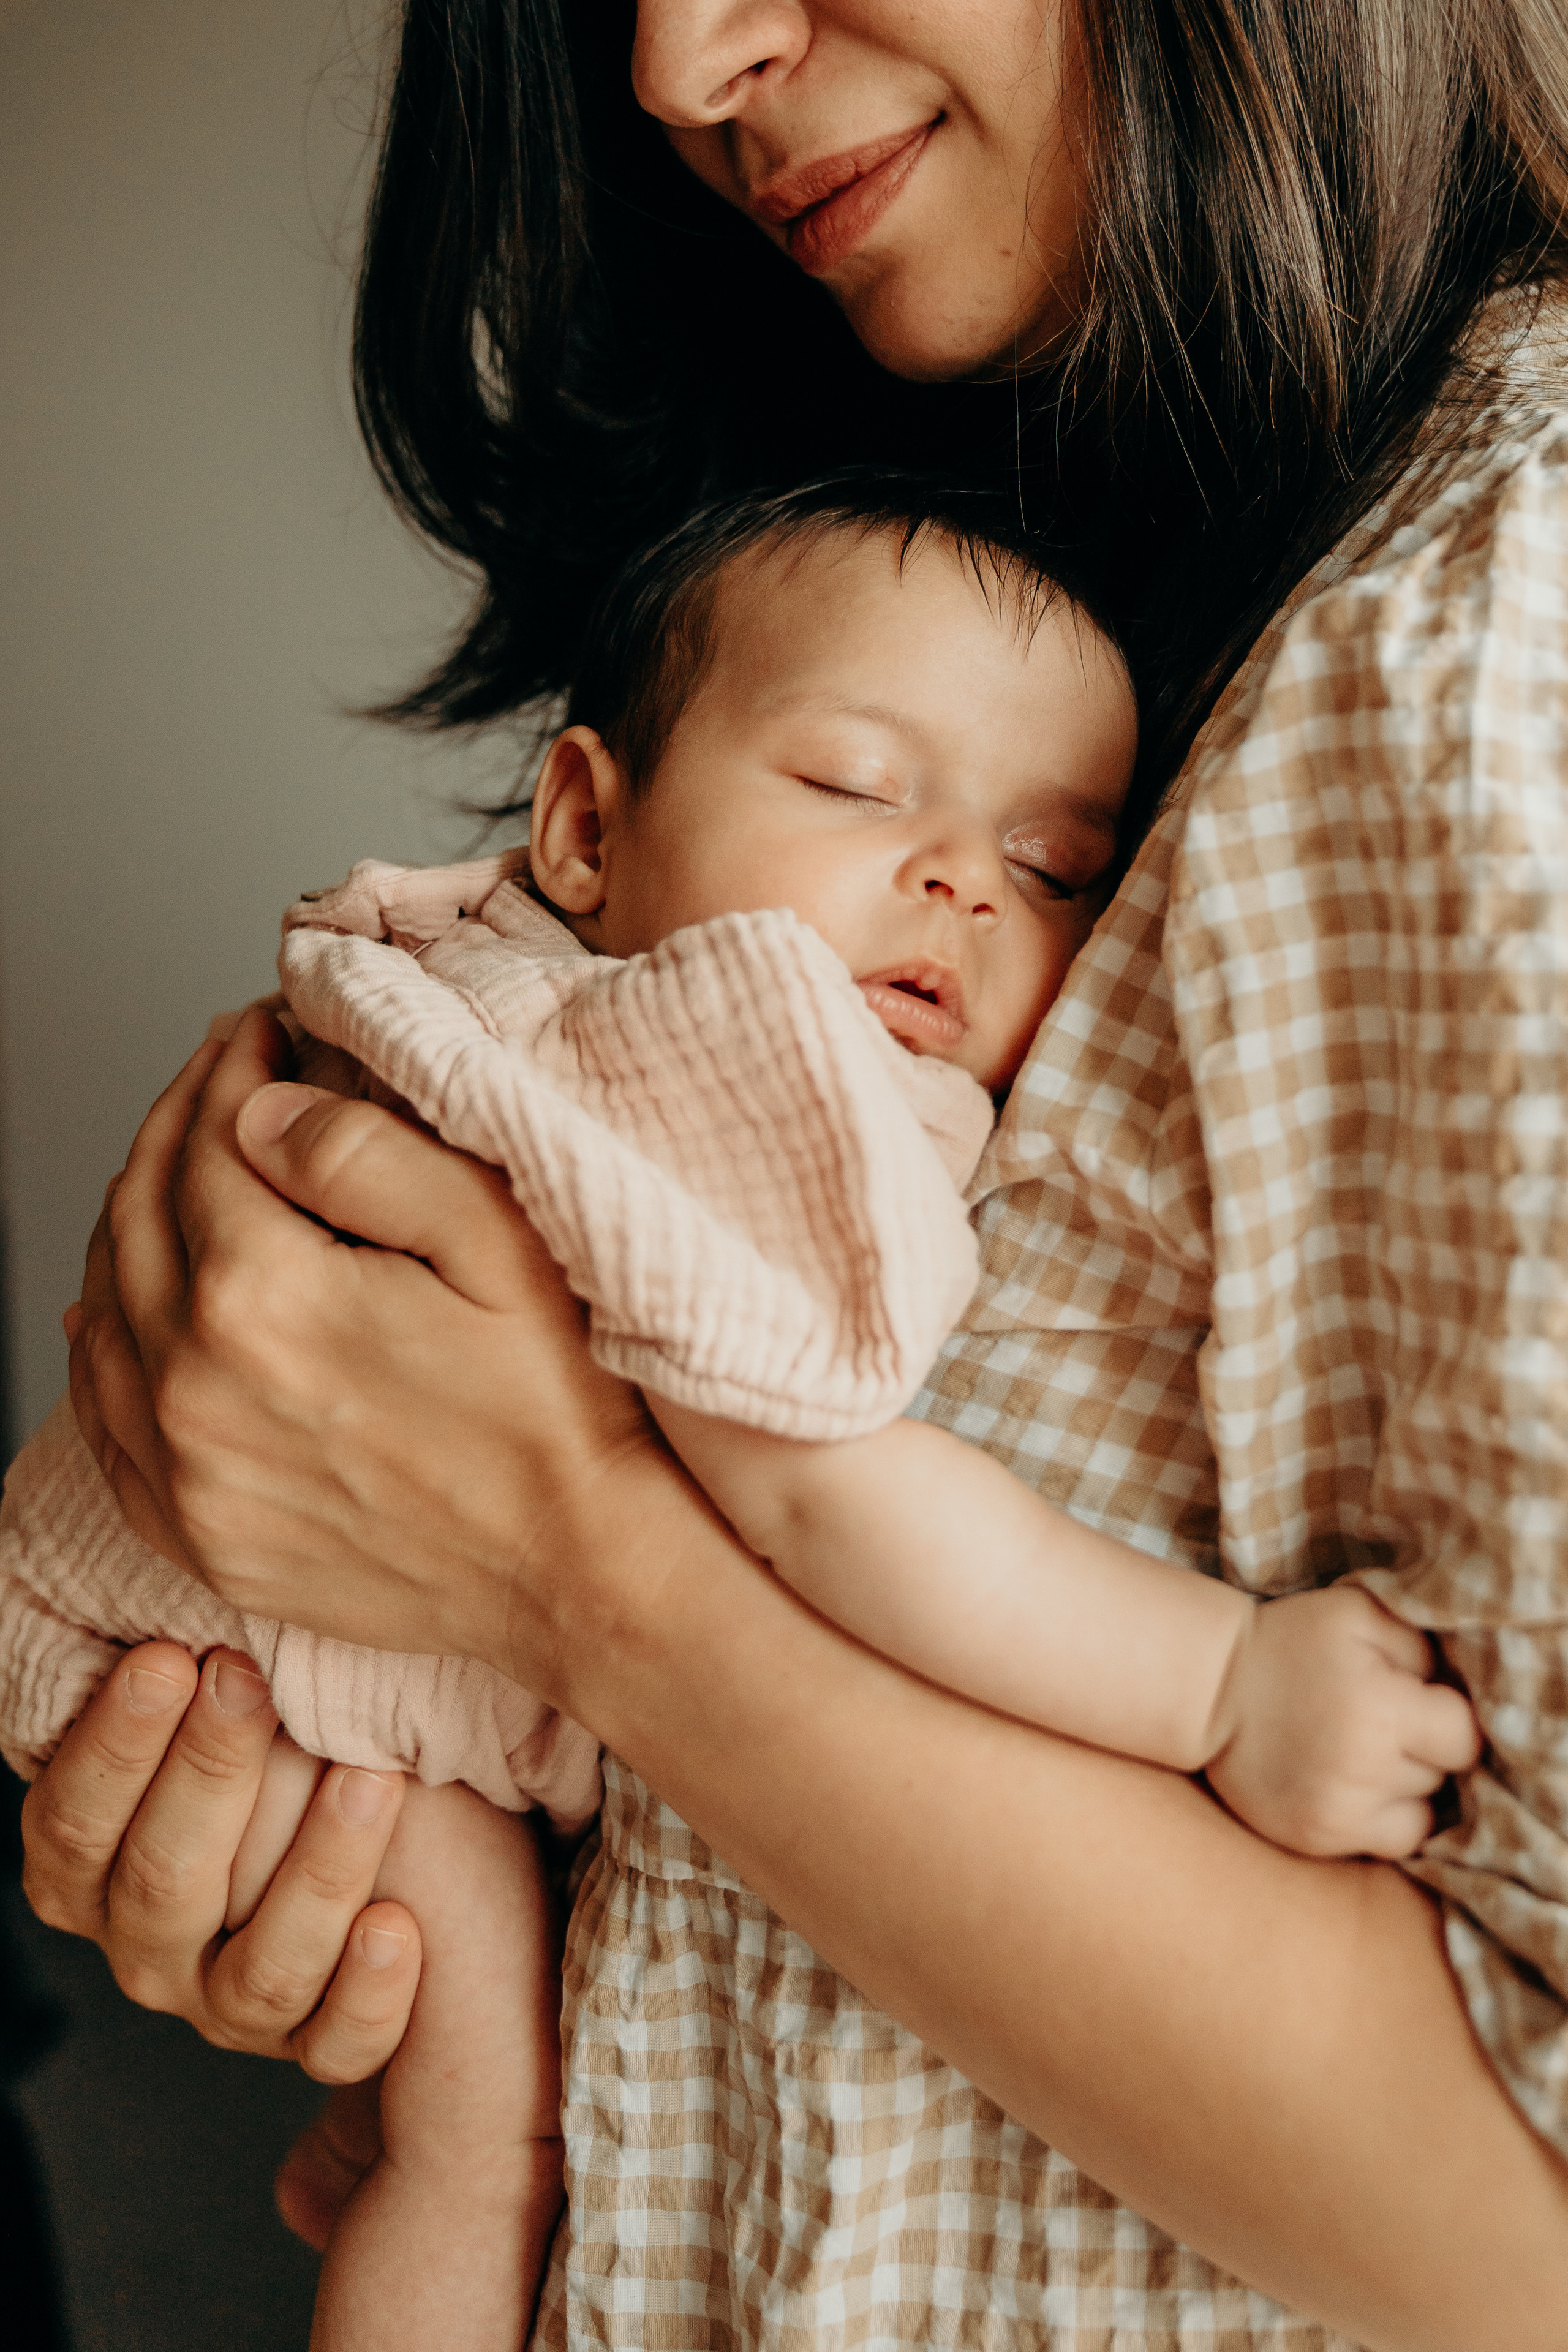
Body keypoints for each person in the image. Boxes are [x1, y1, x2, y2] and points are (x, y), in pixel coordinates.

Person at [19, 1, 1568, 2345]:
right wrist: (347, 1819)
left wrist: (558, 1572)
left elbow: (1527, 2219)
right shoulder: (1061, 590)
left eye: (1044, 863)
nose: (671, 60)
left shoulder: (1491, 635)